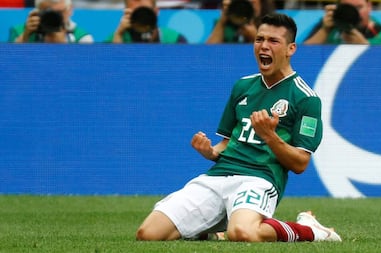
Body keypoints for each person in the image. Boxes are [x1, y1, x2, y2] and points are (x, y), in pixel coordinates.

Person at [136, 13, 342, 243]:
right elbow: (225, 143)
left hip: (259, 178)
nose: (263, 46)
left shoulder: (306, 98)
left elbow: (300, 163)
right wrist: (211, 152)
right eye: (259, 39)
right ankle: (213, 230)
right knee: (148, 234)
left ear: (290, 49)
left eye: (273, 41)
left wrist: (270, 136)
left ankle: (310, 229)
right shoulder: (243, 86)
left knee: (242, 233)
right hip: (218, 176)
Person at [304, 0, 381, 45]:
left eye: (359, 7)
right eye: (348, 8)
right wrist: (325, 30)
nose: (354, 13)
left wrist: (364, 47)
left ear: (369, 6)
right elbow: (303, 56)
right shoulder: (327, 26)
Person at [8, 0, 93, 43]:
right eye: (47, 12)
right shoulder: (19, 31)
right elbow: (9, 65)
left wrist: (63, 47)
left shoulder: (81, 38)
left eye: (58, 13)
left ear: (70, 9)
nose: (52, 17)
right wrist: (25, 37)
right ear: (37, 10)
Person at [107, 0, 187, 43]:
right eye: (136, 12)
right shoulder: (112, 40)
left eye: (145, 11)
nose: (141, 17)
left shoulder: (175, 40)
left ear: (156, 12)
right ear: (126, 13)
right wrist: (118, 36)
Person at [206, 0, 275, 44]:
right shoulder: (223, 23)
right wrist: (223, 19)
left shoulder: (272, 23)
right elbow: (209, 53)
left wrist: (255, 37)